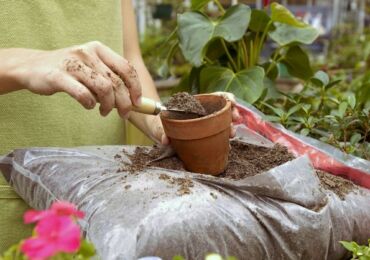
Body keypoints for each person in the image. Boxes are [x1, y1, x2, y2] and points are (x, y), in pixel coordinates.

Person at [0, 0, 239, 252]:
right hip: (13, 206)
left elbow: (127, 60)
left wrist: (162, 125)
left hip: (106, 207)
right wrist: (25, 63)